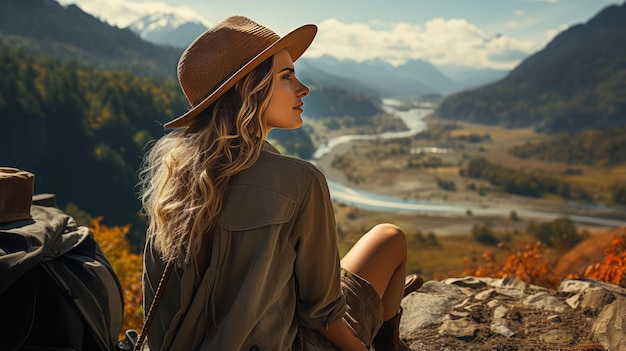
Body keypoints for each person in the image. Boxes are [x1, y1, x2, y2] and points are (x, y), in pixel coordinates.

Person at [138, 15, 422, 351]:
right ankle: (388, 343)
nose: (303, 88)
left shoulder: (174, 180)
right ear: (249, 89)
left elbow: (158, 312)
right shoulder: (300, 181)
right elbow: (324, 316)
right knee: (388, 238)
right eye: (286, 76)